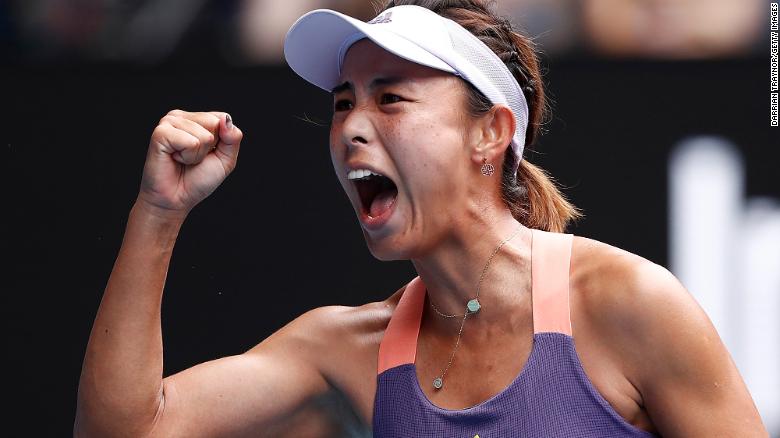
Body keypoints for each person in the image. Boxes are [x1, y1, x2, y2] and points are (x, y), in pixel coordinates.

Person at [75, 0, 769, 436]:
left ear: (489, 134)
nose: (352, 126)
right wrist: (158, 213)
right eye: (345, 101)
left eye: (392, 99)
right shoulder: (340, 351)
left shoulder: (629, 305)